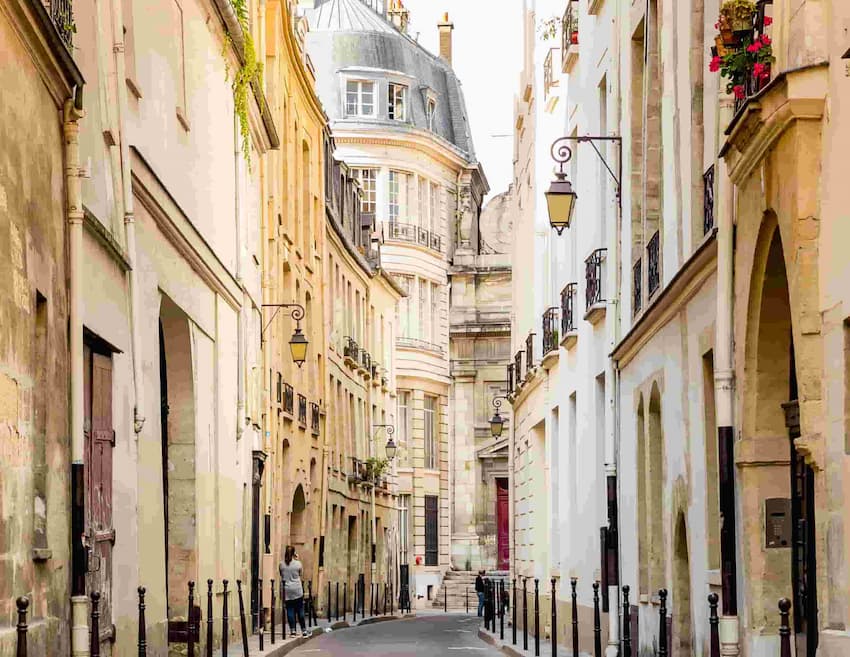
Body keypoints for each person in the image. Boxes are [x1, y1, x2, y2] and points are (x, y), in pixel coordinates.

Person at [280, 545, 309, 638]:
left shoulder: (281, 564)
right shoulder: (298, 564)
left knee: (290, 609)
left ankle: (293, 631)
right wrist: (297, 559)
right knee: (300, 609)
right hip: (297, 589)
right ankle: (304, 631)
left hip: (287, 589)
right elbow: (301, 574)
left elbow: (281, 574)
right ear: (293, 553)